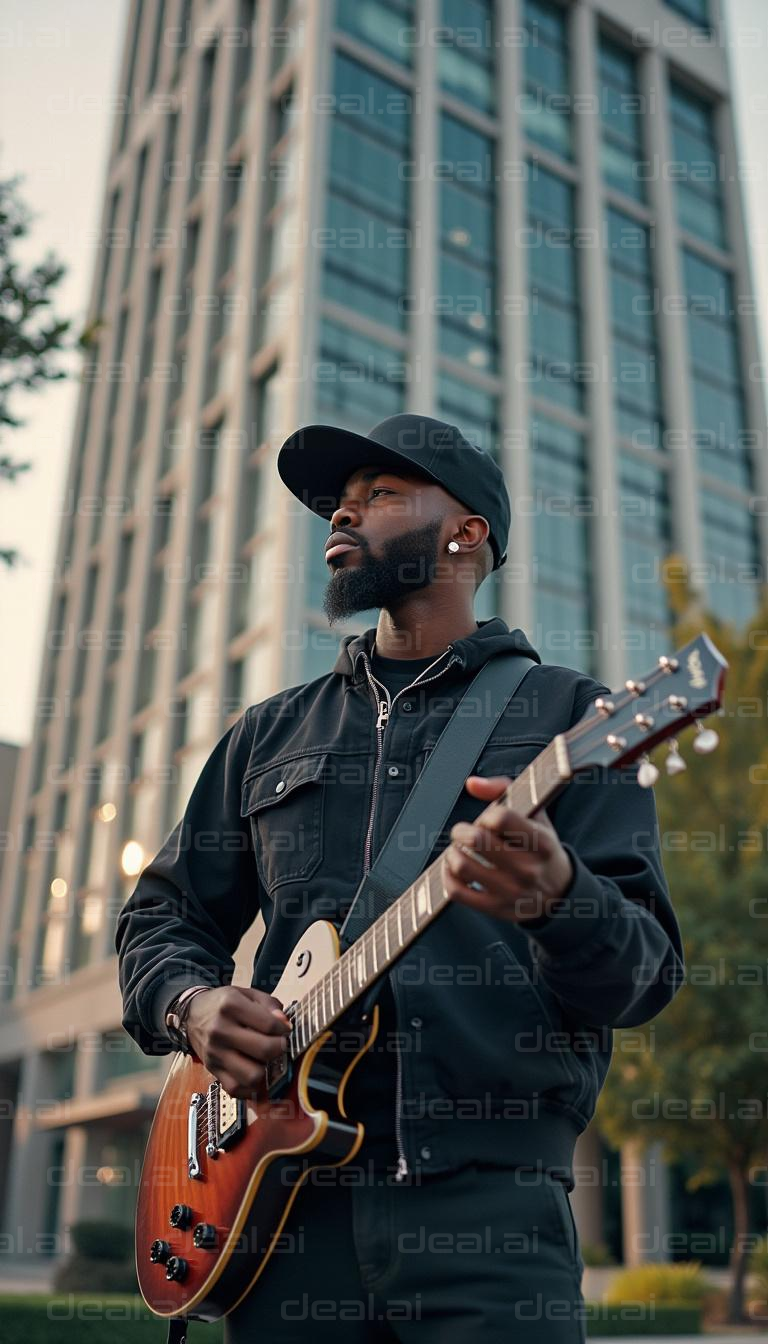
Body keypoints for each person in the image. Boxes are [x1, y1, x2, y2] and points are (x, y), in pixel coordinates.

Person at [116, 413, 684, 1343]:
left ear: (468, 533)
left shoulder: (573, 717)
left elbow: (645, 975)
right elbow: (161, 916)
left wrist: (558, 898)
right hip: (280, 1220)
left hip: (492, 1224)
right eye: (339, 503)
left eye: (379, 495)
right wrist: (192, 1008)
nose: (343, 515)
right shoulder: (271, 731)